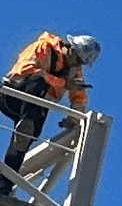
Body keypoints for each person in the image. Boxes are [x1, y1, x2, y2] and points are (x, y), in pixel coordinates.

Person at [0, 32, 96, 179]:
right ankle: (27, 123)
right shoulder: (45, 48)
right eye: (77, 59)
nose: (77, 65)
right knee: (40, 82)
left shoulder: (74, 69)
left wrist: (73, 119)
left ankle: (3, 184)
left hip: (34, 108)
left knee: (24, 141)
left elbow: (79, 97)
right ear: (70, 48)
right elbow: (28, 70)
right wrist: (63, 83)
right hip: (12, 95)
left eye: (81, 63)